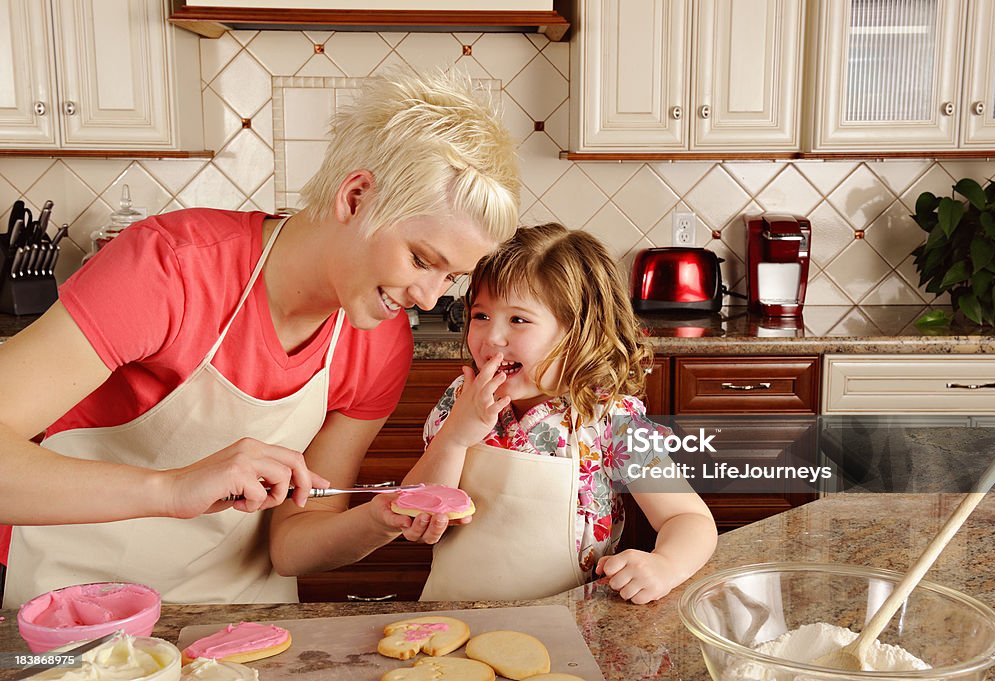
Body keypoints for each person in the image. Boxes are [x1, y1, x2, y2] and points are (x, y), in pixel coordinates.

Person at [0, 69, 520, 607]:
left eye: (451, 277)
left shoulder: (379, 342)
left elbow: (292, 545)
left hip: (239, 620)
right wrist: (172, 489)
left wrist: (379, 519)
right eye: (420, 260)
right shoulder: (170, 269)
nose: (432, 298)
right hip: (74, 608)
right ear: (357, 197)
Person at [405, 223, 717, 604]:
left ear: (579, 333)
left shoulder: (607, 419)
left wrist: (666, 565)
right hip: (455, 618)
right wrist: (454, 436)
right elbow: (414, 514)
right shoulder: (461, 400)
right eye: (481, 315)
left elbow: (688, 519)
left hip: (567, 632)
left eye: (518, 319)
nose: (491, 338)